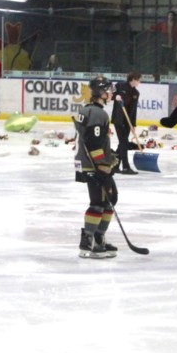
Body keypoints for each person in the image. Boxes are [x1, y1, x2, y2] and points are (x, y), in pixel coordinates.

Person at [73, 76, 119, 259]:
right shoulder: (99, 114)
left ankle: (98, 238)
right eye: (108, 90)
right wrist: (102, 165)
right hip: (93, 165)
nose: (111, 93)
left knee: (109, 200)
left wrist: (110, 156)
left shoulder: (87, 110)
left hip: (87, 164)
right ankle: (89, 242)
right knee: (99, 203)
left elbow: (90, 139)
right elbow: (93, 142)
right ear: (101, 93)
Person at [110, 71, 141, 175]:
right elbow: (109, 95)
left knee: (123, 143)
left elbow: (134, 111)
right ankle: (126, 167)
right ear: (133, 79)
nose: (139, 82)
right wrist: (115, 97)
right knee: (123, 142)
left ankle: (115, 166)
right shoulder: (119, 86)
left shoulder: (136, 93)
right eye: (138, 80)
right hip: (118, 119)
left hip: (128, 121)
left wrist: (133, 125)